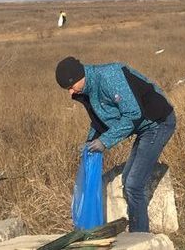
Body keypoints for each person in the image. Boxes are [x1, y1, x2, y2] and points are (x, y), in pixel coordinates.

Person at [55, 56, 176, 233]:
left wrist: (104, 142)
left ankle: (140, 236)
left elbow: (133, 113)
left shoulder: (109, 77)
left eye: (70, 87)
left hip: (159, 122)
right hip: (145, 127)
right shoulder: (88, 88)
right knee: (128, 180)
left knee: (134, 184)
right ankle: (138, 229)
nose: (70, 93)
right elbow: (100, 121)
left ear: (79, 77)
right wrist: (89, 143)